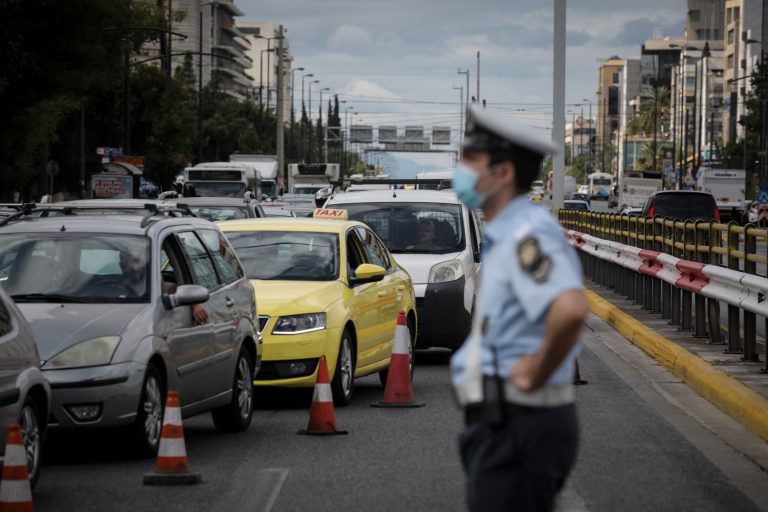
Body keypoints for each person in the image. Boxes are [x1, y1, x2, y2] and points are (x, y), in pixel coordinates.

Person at [450, 105, 588, 512]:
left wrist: (536, 371)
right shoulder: (506, 232)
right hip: (501, 423)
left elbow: (570, 309)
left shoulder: (526, 234)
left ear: (503, 173)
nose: (461, 170)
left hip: (520, 423)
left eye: (471, 161)